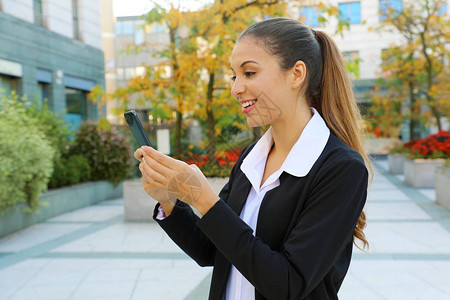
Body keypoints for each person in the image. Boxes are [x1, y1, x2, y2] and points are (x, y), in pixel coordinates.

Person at [134, 17, 372, 300]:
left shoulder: (341, 169)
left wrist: (202, 198)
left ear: (296, 74)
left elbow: (288, 284)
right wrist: (169, 200)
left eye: (249, 73)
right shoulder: (251, 157)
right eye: (234, 76)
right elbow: (212, 250)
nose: (235, 89)